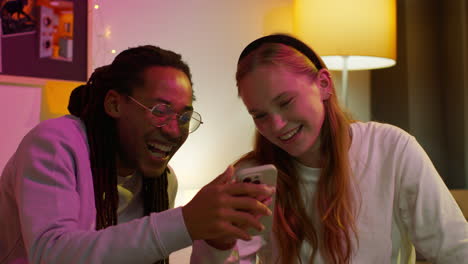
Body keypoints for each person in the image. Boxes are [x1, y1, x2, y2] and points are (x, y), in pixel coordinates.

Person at [190, 34, 468, 263]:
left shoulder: (391, 149)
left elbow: (455, 249)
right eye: (260, 115)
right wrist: (215, 240)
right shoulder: (252, 178)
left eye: (285, 102)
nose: (276, 125)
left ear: (323, 85)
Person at [0, 45, 274, 264]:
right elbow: (52, 254)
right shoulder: (56, 143)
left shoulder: (163, 181)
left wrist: (217, 242)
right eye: (160, 111)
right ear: (114, 104)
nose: (173, 130)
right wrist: (185, 222)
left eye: (184, 117)